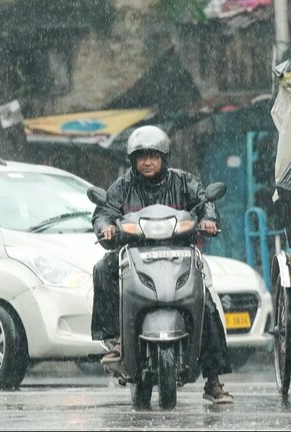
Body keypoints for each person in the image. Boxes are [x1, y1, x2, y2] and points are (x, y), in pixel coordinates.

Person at [91, 125, 234, 404]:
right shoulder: (122, 186)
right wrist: (106, 226)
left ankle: (213, 379)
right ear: (133, 160)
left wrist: (209, 219)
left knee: (206, 306)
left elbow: (205, 202)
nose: (147, 162)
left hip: (179, 253)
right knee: (103, 269)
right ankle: (115, 339)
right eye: (142, 156)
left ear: (164, 158)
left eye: (153, 156)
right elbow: (104, 212)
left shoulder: (183, 181)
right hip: (134, 253)